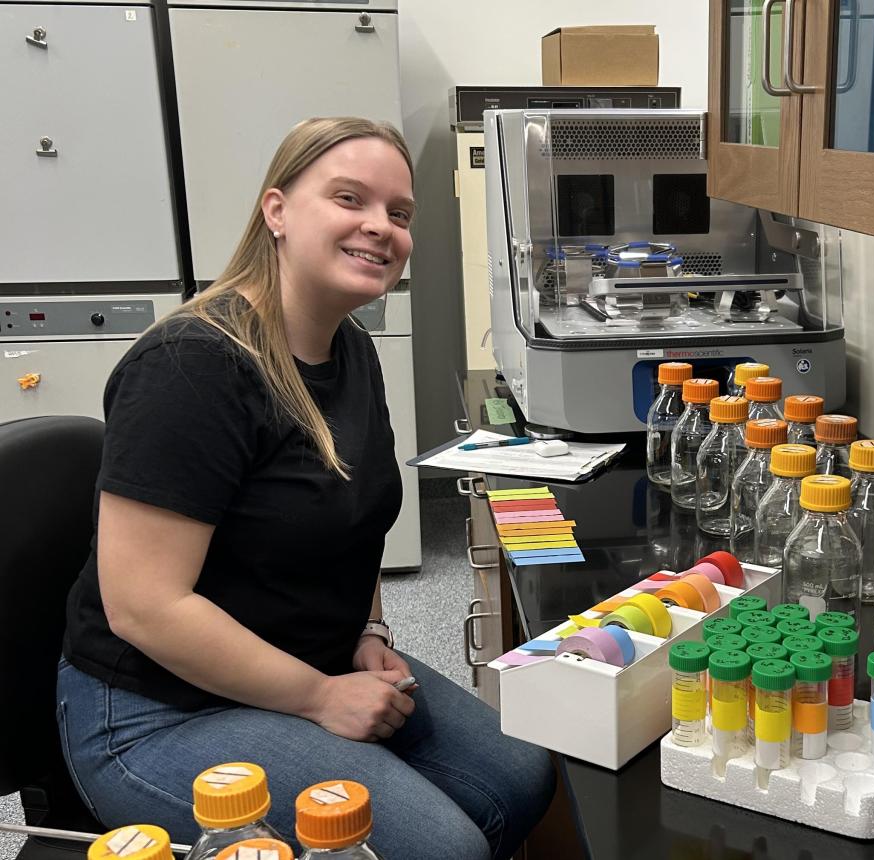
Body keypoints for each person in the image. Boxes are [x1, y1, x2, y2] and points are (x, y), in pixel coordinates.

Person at [55, 117, 555, 860]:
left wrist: (369, 633)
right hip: (158, 708)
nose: (379, 227)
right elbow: (144, 606)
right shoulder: (193, 366)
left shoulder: (350, 346)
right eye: (349, 198)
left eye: (399, 213)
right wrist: (320, 698)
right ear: (278, 211)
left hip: (312, 655)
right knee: (440, 847)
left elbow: (356, 522)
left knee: (521, 775)